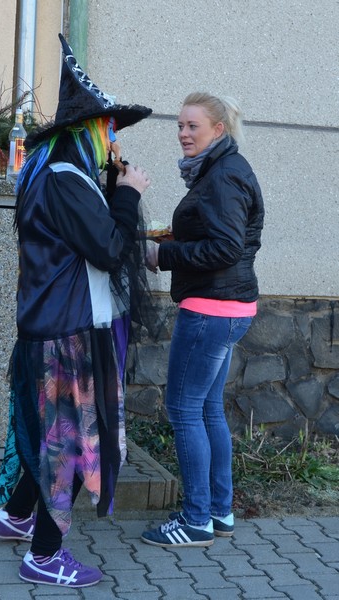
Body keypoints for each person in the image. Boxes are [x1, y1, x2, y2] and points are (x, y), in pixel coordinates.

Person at [0, 34, 152, 587]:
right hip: (69, 333)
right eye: (109, 129)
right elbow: (108, 247)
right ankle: (44, 555)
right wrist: (128, 193)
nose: (113, 140)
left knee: (53, 434)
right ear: (90, 130)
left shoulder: (51, 172)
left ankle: (15, 516)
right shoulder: (64, 177)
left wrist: (111, 187)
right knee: (75, 444)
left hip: (54, 325)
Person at [141, 92, 264, 547]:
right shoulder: (222, 169)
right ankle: (218, 511)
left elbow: (226, 247)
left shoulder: (223, 175)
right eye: (180, 125)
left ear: (218, 130)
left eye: (193, 126)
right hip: (229, 307)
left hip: (211, 309)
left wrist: (163, 255)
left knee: (184, 409)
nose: (183, 133)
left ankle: (195, 521)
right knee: (208, 407)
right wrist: (176, 239)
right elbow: (225, 237)